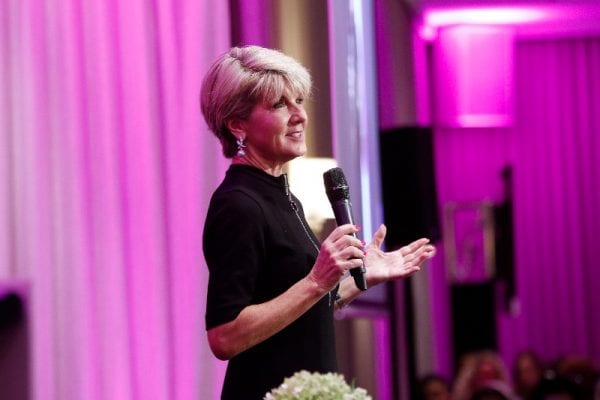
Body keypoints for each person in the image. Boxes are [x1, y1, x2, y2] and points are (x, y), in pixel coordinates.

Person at [200, 45, 437, 400]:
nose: (300, 115)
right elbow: (224, 336)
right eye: (279, 105)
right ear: (237, 125)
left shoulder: (282, 196)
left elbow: (299, 308)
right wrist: (316, 281)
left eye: (299, 101)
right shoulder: (238, 204)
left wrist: (358, 281)